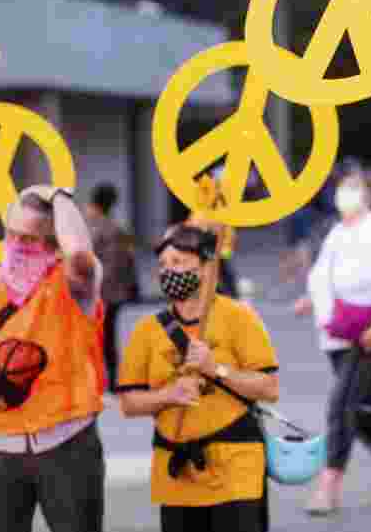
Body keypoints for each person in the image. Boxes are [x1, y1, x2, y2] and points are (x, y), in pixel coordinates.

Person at [0, 186, 107, 532]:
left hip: (67, 441)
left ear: (53, 246)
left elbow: (80, 252)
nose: (17, 245)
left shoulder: (73, 284)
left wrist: (59, 196)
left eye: (30, 238)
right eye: (11, 234)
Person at [116, 223, 279, 532]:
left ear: (206, 267)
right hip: (176, 473)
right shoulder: (147, 331)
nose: (168, 272)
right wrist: (168, 395)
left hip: (235, 468)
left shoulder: (239, 317)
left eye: (178, 262)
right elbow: (128, 403)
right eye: (163, 265)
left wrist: (215, 368)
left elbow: (269, 388)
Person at [294, 172, 371, 514]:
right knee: (366, 410)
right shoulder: (338, 232)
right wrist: (310, 300)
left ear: (367, 196)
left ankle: (329, 484)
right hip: (337, 333)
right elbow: (324, 273)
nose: (346, 196)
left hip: (369, 333)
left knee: (341, 404)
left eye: (353, 190)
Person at [85, 182, 140, 386]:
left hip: (102, 293)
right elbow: (127, 261)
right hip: (114, 292)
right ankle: (111, 378)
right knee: (106, 336)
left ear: (96, 205)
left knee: (101, 337)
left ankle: (107, 379)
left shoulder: (100, 230)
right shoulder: (116, 228)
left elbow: (102, 265)